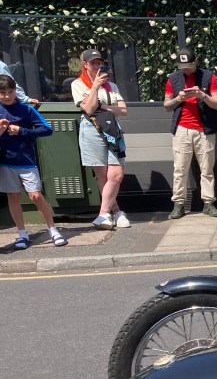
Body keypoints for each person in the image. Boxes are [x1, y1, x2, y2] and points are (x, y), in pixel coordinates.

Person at [0, 74, 66, 249]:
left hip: (26, 161)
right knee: (13, 197)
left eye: (10, 92)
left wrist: (21, 131)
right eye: (2, 92)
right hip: (5, 162)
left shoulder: (26, 109)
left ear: (15, 91)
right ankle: (22, 234)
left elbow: (47, 129)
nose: (7, 96)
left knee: (35, 195)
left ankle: (53, 230)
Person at [71, 49, 130, 230]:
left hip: (112, 129)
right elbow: (89, 109)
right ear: (85, 65)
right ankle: (116, 211)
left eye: (99, 63)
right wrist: (95, 87)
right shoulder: (78, 84)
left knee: (116, 174)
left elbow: (123, 110)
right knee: (102, 176)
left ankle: (103, 213)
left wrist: (103, 107)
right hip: (92, 129)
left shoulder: (112, 86)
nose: (97, 66)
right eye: (93, 63)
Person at [163, 47, 217, 219]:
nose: (186, 70)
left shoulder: (209, 77)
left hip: (205, 129)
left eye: (188, 66)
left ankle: (208, 203)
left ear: (195, 62)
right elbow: (166, 105)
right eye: (183, 67)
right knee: (180, 168)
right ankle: (178, 204)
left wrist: (202, 95)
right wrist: (178, 99)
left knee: (207, 168)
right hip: (181, 129)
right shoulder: (173, 78)